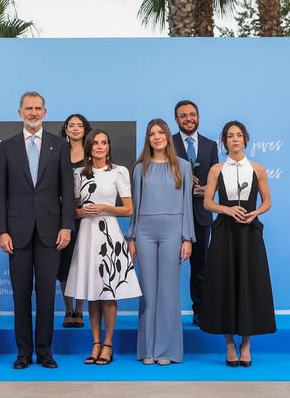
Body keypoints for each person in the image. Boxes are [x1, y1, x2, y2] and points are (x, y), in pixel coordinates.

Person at [0, 91, 74, 369]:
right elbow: (0, 193)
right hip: (16, 233)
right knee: (20, 295)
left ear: (45, 112)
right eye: (28, 108)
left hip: (51, 232)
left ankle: (45, 352)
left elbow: (67, 189)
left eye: (38, 108)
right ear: (20, 113)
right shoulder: (7, 147)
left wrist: (66, 226)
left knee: (46, 295)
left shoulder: (59, 145)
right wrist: (1, 231)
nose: (33, 113)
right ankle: (23, 353)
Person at [200, 120, 275, 367]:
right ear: (224, 141)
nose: (235, 139)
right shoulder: (217, 170)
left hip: (249, 232)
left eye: (239, 135)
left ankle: (246, 345)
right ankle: (229, 344)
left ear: (245, 139)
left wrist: (255, 213)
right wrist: (227, 209)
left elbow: (267, 201)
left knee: (249, 284)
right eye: (230, 136)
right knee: (225, 284)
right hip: (224, 232)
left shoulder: (257, 169)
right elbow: (207, 202)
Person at [65, 129, 140, 365]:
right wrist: (83, 212)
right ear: (89, 147)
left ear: (109, 147)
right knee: (92, 293)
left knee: (109, 293)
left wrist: (104, 208)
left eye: (104, 142)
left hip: (109, 235)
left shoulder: (119, 171)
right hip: (87, 235)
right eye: (95, 143)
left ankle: (108, 344)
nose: (100, 146)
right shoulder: (79, 174)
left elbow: (128, 209)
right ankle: (95, 343)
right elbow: (73, 211)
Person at [127, 119, 195, 366]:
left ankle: (167, 350)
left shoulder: (183, 166)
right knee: (147, 291)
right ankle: (148, 348)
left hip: (173, 232)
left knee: (168, 291)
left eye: (160, 133)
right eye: (151, 134)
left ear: (167, 136)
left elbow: (187, 204)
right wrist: (132, 237)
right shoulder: (139, 168)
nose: (156, 137)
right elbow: (135, 207)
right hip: (144, 232)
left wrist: (187, 238)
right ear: (148, 139)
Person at [172, 100, 218, 327]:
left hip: (201, 213)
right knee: (169, 266)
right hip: (173, 214)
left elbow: (216, 180)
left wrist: (206, 189)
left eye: (192, 114)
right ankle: (167, 313)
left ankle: (200, 310)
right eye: (183, 115)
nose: (188, 119)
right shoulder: (167, 143)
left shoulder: (210, 145)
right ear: (176, 120)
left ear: (198, 117)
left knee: (200, 266)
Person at [57, 113, 91, 328]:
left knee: (82, 263)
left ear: (85, 129)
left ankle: (80, 309)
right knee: (65, 265)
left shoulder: (93, 153)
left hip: (86, 216)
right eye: (71, 125)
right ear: (66, 130)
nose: (75, 128)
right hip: (61, 215)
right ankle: (68, 309)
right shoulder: (58, 151)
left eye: (80, 125)